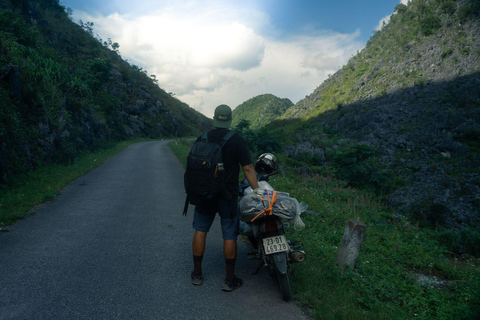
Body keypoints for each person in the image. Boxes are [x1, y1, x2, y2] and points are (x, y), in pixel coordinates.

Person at [191, 104, 259, 292]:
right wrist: (258, 192)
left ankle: (197, 274)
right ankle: (229, 280)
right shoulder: (237, 140)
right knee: (229, 234)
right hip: (227, 196)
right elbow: (248, 169)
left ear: (214, 118)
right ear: (230, 119)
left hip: (204, 194)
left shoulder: (202, 137)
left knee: (200, 229)